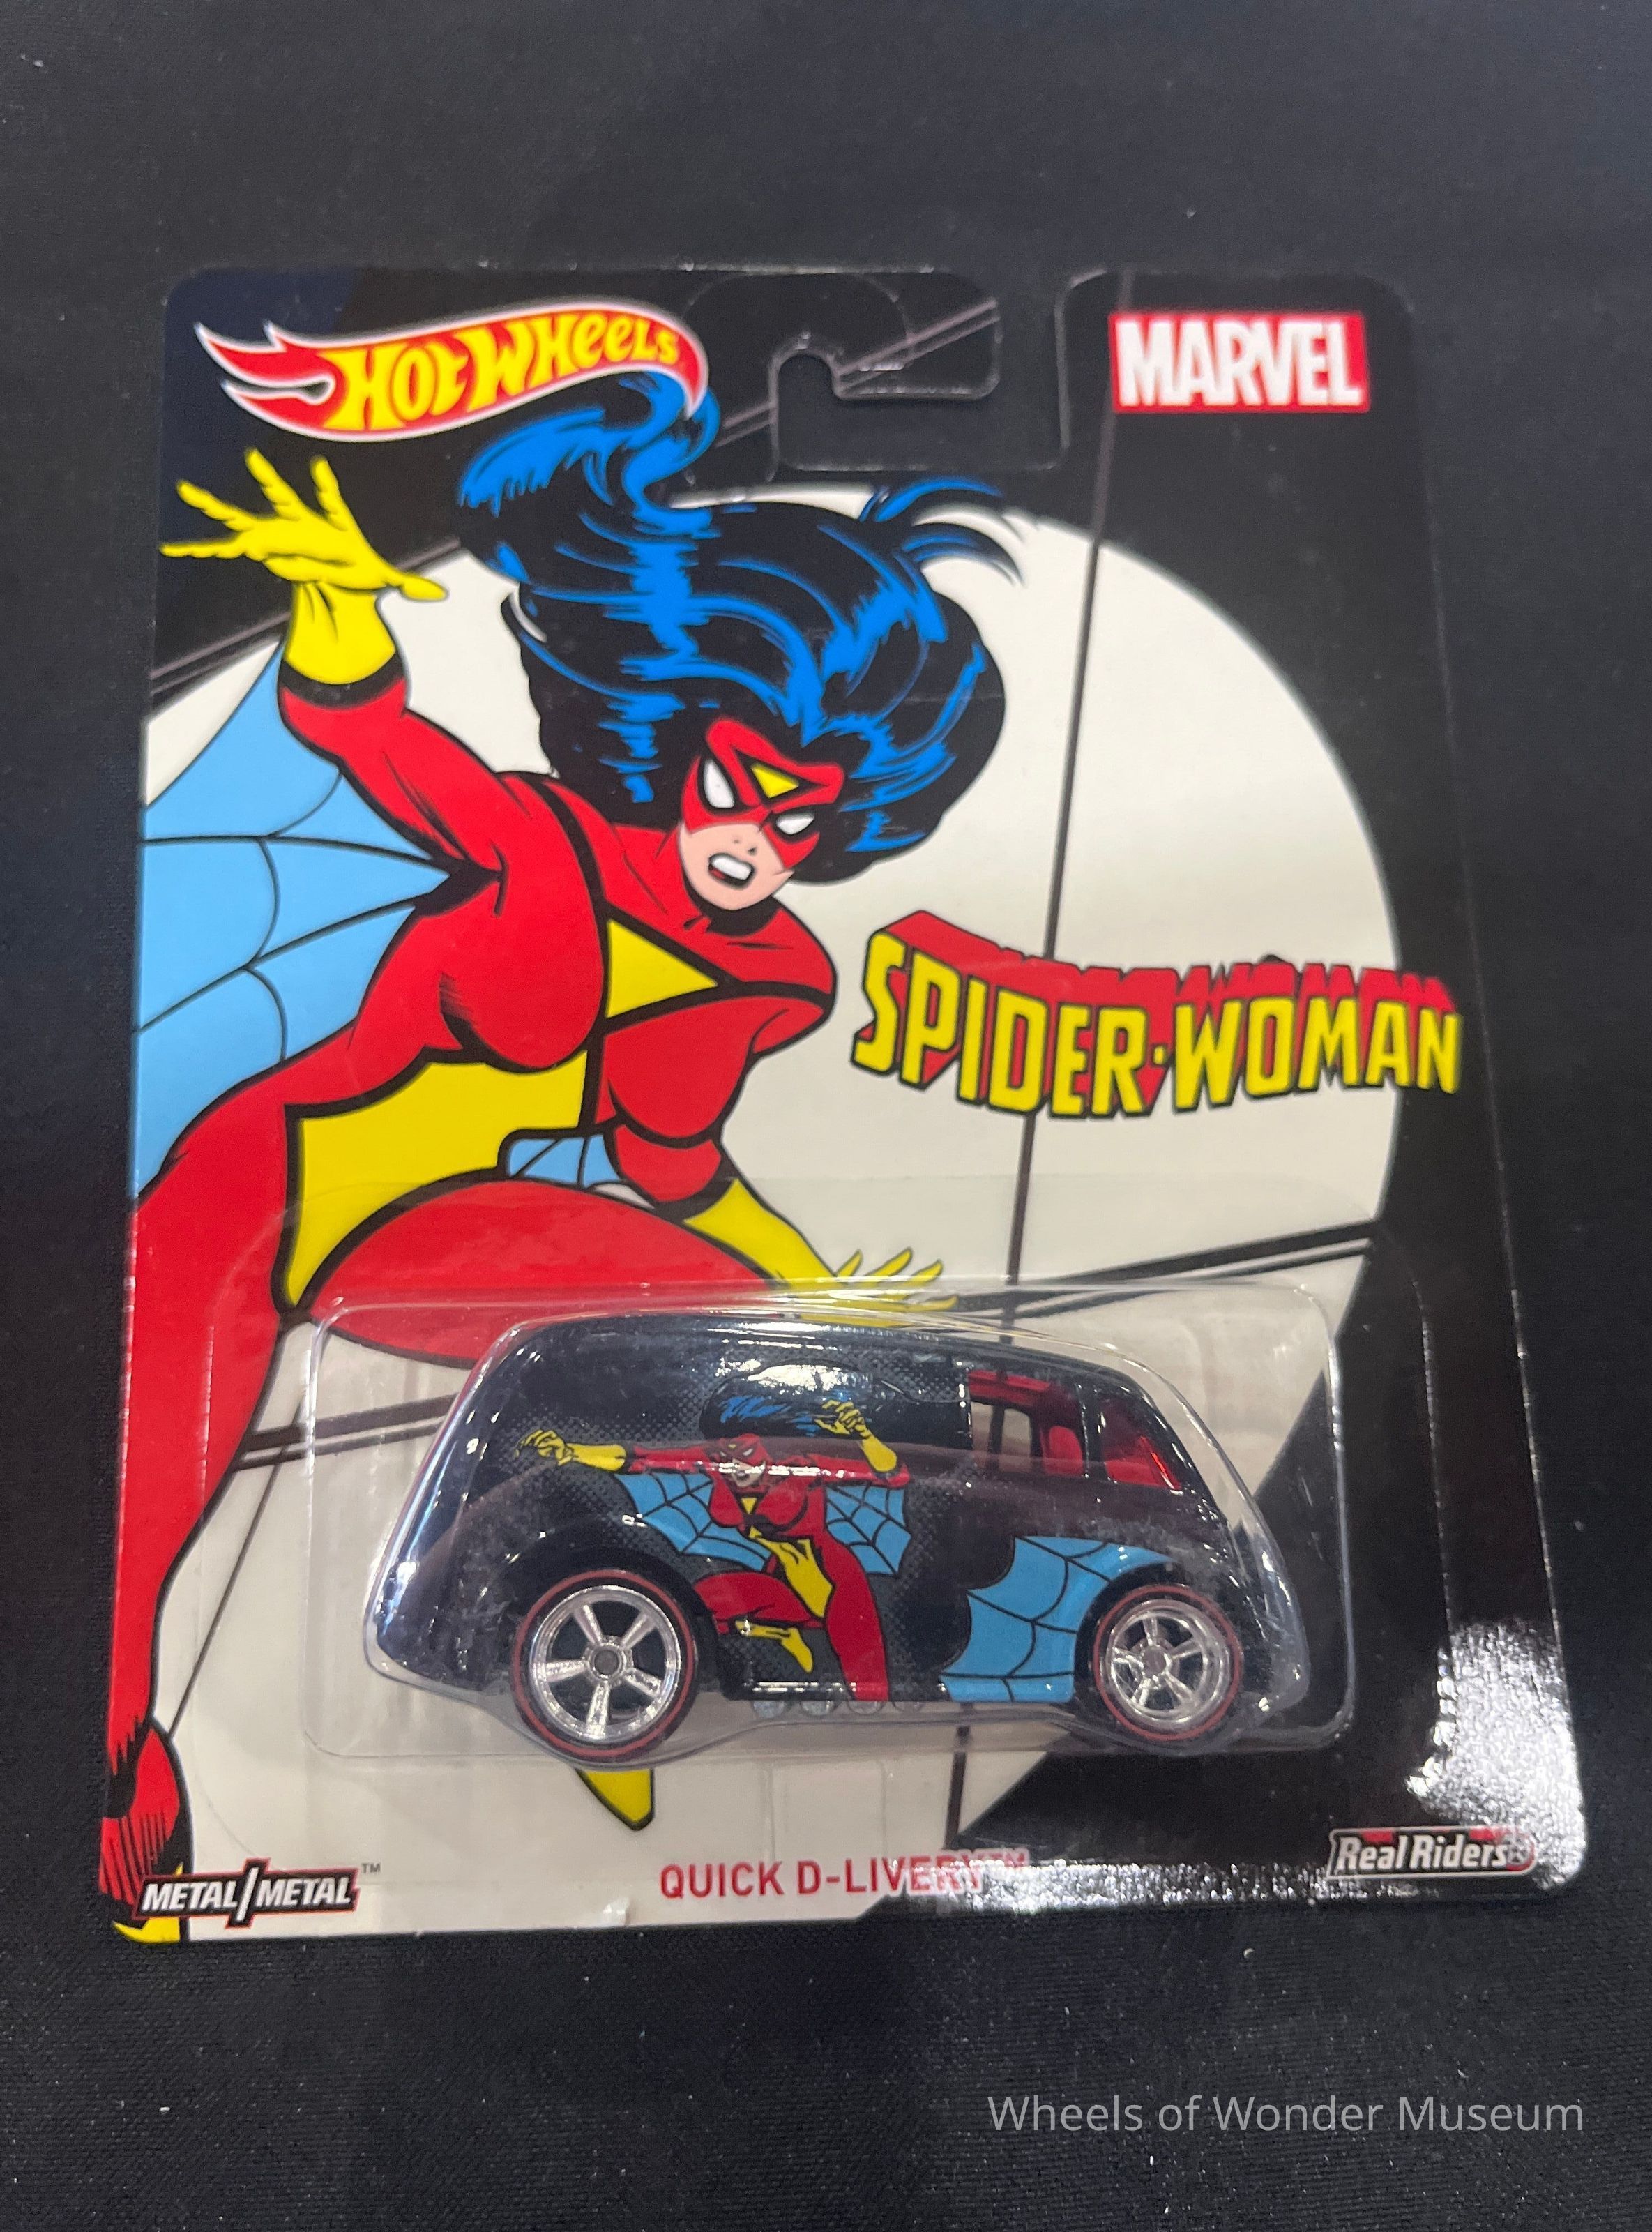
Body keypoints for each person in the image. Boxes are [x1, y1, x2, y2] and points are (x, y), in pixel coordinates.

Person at [103, 371, 1010, 1914]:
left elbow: (673, 1170)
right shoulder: (540, 839)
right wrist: (335, 609)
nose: (756, 844)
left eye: (801, 821)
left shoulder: (774, 976)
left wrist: (809, 1294)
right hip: (259, 1186)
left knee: (740, 1353)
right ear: (679, 727)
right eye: (740, 788)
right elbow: (377, 741)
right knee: (127, 1578)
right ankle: (127, 1807)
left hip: (447, 1228)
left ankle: (616, 1642)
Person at [524, 1393, 909, 1698]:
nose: (735, 1465)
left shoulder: (803, 1466)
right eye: (727, 1454)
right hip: (781, 1580)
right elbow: (642, 1459)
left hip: (834, 1578)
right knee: (706, 1600)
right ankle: (782, 1636)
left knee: (866, 1677)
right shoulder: (716, 1464)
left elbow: (891, 1474)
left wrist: (863, 1436)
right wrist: (575, 1451)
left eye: (747, 1453)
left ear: (771, 1445)